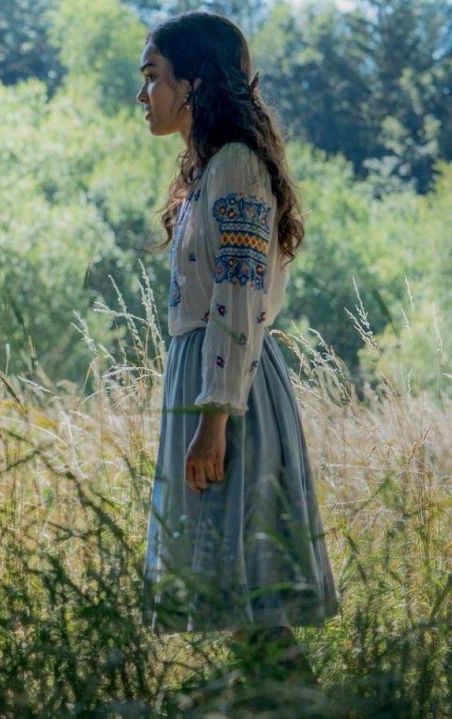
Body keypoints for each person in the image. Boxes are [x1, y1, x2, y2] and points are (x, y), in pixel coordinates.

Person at [137, 10, 340, 663]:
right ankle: (274, 701)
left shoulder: (236, 167)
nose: (143, 94)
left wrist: (215, 415)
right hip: (207, 382)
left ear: (194, 83)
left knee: (249, 596)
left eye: (154, 76)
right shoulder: (208, 171)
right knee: (233, 599)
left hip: (230, 391)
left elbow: (239, 294)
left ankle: (298, 702)